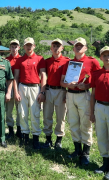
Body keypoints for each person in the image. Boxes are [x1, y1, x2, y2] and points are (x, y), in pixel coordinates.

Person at [60, 37, 101, 165]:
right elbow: (62, 82)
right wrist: (68, 85)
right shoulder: (68, 63)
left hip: (84, 95)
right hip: (70, 95)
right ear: (73, 48)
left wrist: (87, 86)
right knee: (73, 123)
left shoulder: (92, 62)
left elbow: (98, 81)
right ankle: (77, 150)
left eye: (81, 45)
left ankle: (86, 153)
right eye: (76, 45)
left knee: (86, 124)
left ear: (86, 48)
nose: (78, 47)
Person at [13, 37, 46, 150]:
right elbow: (16, 77)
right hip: (22, 87)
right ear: (23, 47)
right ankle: (25, 136)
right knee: (22, 113)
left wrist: (42, 91)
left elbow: (43, 76)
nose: (29, 47)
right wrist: (16, 91)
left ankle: (36, 138)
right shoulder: (19, 60)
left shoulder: (40, 59)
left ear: (34, 46)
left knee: (35, 113)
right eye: (27, 45)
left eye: (30, 45)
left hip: (35, 88)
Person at [42, 39, 70, 149]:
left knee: (60, 116)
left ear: (62, 48)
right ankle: (48, 139)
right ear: (51, 48)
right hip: (49, 90)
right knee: (47, 115)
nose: (56, 47)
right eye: (54, 45)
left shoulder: (67, 61)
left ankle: (58, 140)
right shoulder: (47, 61)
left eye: (58, 46)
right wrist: (43, 91)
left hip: (61, 91)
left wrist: (66, 92)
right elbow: (44, 77)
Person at [90, 46, 109, 178]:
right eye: (104, 55)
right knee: (101, 136)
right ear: (101, 57)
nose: (107, 58)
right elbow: (93, 94)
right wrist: (92, 112)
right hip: (100, 106)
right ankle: (105, 164)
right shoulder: (97, 74)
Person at [5, 39, 22, 139]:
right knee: (9, 110)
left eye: (16, 47)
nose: (14, 48)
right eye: (12, 46)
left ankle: (19, 130)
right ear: (9, 48)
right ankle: (11, 130)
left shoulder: (22, 59)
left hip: (20, 87)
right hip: (9, 87)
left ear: (19, 47)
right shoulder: (6, 60)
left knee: (20, 110)